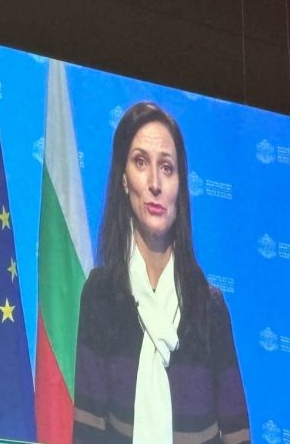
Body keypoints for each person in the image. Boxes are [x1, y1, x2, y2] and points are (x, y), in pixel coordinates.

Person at [73, 102, 250, 444]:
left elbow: (237, 435)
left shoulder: (209, 306)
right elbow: (88, 430)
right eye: (141, 162)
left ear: (180, 185)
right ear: (124, 179)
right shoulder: (100, 294)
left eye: (167, 167)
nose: (155, 183)